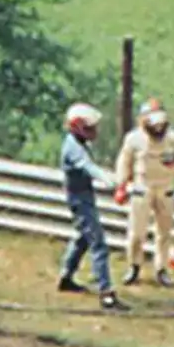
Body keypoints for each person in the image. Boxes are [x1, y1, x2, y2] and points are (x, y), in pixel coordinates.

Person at [114, 97, 174, 287]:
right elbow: (124, 161)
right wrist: (121, 186)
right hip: (142, 187)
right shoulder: (134, 139)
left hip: (166, 188)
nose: (158, 128)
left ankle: (161, 269)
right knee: (137, 232)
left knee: (164, 233)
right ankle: (134, 266)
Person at [57, 102, 128, 312]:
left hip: (83, 198)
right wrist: (109, 180)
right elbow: (88, 167)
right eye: (89, 128)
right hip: (80, 201)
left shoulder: (77, 143)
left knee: (82, 239)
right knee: (99, 245)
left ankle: (66, 276)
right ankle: (106, 294)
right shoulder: (73, 148)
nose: (94, 132)